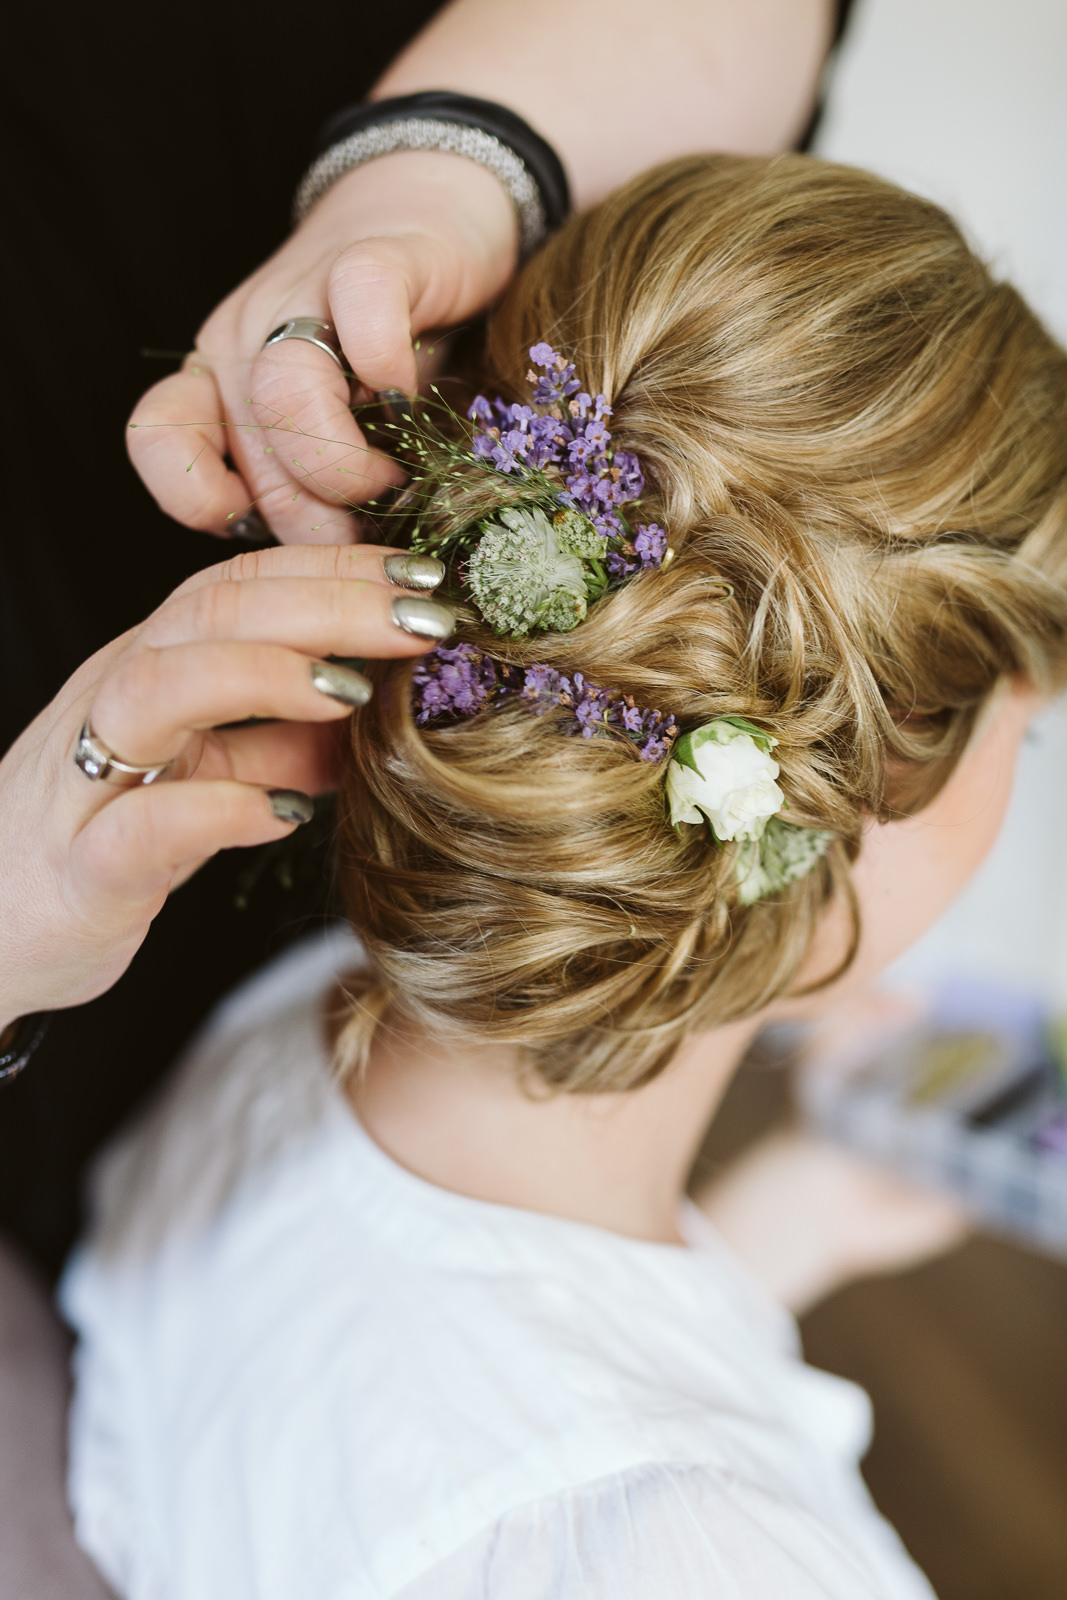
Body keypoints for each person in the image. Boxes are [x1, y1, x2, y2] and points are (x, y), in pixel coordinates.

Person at [59, 151, 1067, 1597]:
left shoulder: (288, 1044)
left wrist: (780, 1231)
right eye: (1022, 743)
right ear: (862, 795)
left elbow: (455, 1394)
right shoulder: (711, 1555)